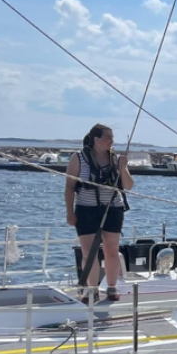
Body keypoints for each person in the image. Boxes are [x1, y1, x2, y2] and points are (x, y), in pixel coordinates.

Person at [65, 124, 134, 303]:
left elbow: (128, 186)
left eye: (112, 138)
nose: (112, 141)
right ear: (96, 139)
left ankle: (111, 287)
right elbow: (70, 187)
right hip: (86, 209)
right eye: (108, 138)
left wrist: (123, 167)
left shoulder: (117, 159)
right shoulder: (78, 158)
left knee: (112, 250)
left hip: (113, 208)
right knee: (89, 252)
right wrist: (70, 213)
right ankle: (92, 289)